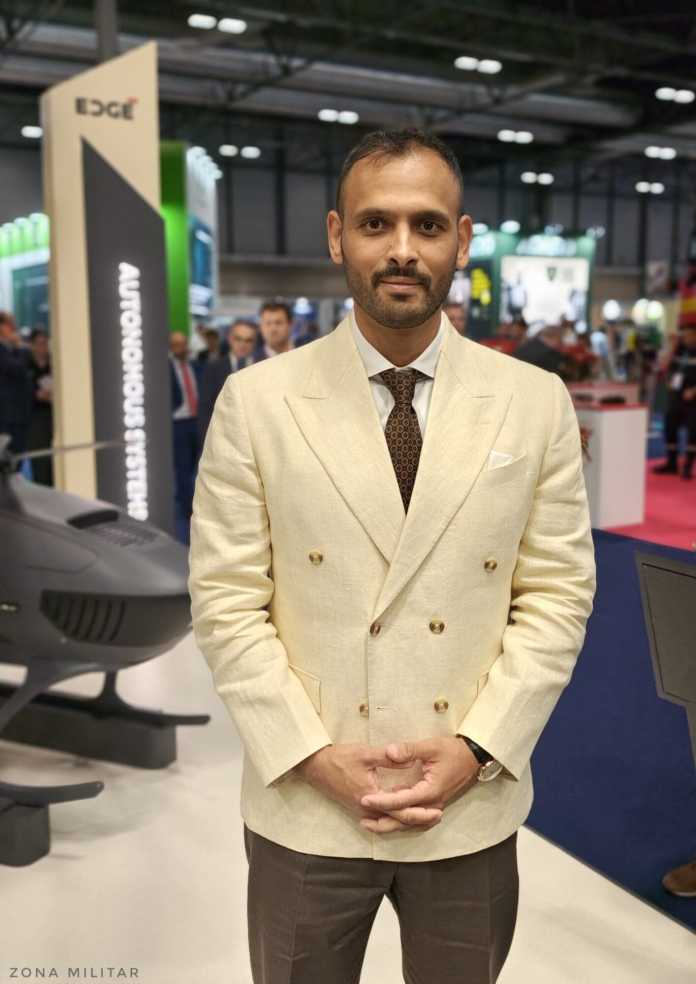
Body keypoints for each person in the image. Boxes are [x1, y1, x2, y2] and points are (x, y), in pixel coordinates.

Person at [189, 127, 596, 984]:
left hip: (469, 802)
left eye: (428, 224)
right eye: (377, 224)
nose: (403, 249)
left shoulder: (534, 401)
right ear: (338, 236)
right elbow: (226, 599)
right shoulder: (257, 402)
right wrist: (312, 755)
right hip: (306, 799)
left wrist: (479, 747)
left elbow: (557, 593)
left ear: (463, 240)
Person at [197, 319, 259, 445]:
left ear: (254, 342)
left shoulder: (262, 367)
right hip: (224, 439)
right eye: (238, 339)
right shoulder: (213, 368)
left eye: (248, 340)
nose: (243, 344)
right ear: (230, 339)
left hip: (257, 438)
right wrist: (208, 442)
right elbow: (205, 408)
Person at [652, 323, 696, 480]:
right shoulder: (679, 350)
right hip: (676, 396)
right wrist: (672, 346)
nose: (686, 338)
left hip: (692, 398)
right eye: (684, 335)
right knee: (670, 427)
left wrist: (694, 391)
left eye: (689, 335)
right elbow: (664, 365)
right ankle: (671, 464)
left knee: (693, 431)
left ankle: (688, 466)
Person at [169, 331, 202, 525]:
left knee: (198, 466)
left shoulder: (195, 366)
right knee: (182, 468)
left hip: (197, 420)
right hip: (178, 422)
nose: (180, 348)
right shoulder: (166, 369)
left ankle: (198, 502)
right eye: (176, 344)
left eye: (183, 344)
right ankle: (187, 508)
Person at [0, 310, 32, 464]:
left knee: (17, 460)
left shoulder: (11, 350)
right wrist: (19, 347)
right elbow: (16, 369)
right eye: (10, 324)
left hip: (18, 416)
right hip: (7, 419)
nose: (14, 328)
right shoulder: (6, 351)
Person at [26, 329, 54, 485]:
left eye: (45, 343)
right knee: (39, 463)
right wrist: (35, 395)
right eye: (39, 343)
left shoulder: (54, 364)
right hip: (35, 420)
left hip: (52, 417)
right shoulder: (25, 366)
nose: (42, 347)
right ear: (32, 345)